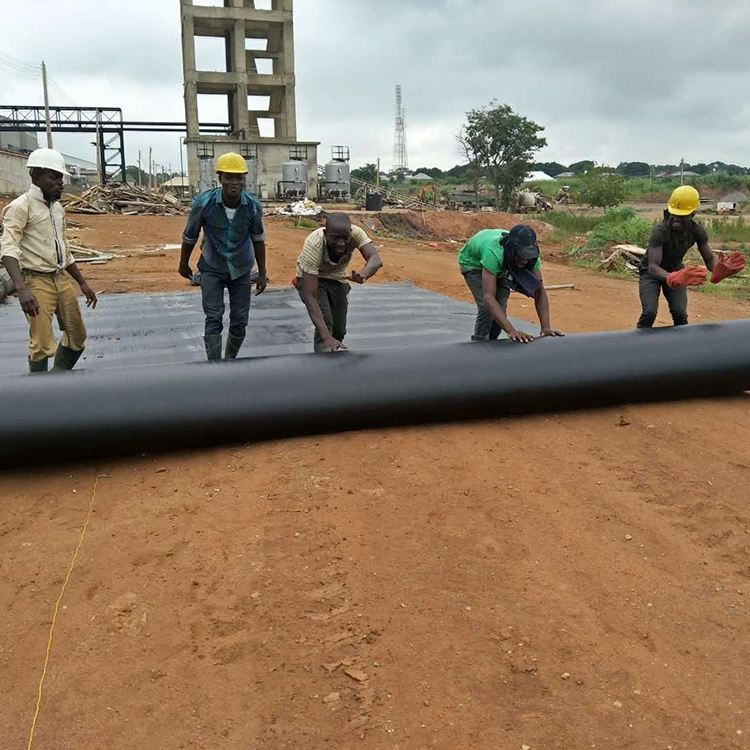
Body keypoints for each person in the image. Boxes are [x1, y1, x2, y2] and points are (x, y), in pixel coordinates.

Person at [0, 148, 98, 373]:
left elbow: (65, 250)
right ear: (36, 176)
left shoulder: (57, 209)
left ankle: (57, 381)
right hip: (35, 281)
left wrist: (82, 283)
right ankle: (40, 398)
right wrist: (21, 289)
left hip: (59, 278)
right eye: (54, 177)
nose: (60, 183)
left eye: (60, 177)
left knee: (77, 335)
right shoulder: (19, 207)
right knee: (42, 344)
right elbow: (8, 249)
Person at [179, 152, 267, 360]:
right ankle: (215, 366)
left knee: (240, 319)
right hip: (212, 266)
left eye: (239, 178)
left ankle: (230, 362)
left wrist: (262, 272)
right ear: (220, 178)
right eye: (229, 177)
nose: (234, 183)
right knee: (213, 316)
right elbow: (190, 236)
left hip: (241, 268)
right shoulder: (203, 203)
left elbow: (258, 239)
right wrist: (183, 263)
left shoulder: (253, 207)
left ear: (245, 179)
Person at [637, 185, 745, 328]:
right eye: (673, 213)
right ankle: (639, 344)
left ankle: (683, 346)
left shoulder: (697, 230)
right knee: (649, 312)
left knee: (680, 314)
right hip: (652, 274)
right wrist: (672, 277)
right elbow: (653, 267)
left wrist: (718, 269)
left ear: (692, 214)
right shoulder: (660, 230)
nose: (675, 218)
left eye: (681, 216)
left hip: (677, 271)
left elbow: (709, 259)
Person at [458, 225, 564, 343]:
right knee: (487, 308)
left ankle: (492, 343)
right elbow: (488, 297)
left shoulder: (531, 259)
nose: (524, 261)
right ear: (511, 249)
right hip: (473, 264)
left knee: (500, 310)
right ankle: (480, 344)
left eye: (527, 256)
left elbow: (539, 291)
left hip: (505, 263)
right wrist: (511, 330)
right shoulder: (493, 253)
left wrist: (546, 328)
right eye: (520, 256)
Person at [295, 212, 382, 352]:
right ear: (325, 233)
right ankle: (322, 362)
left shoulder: (356, 233)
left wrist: (364, 274)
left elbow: (375, 259)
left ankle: (333, 351)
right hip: (312, 277)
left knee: (339, 330)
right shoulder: (314, 244)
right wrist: (326, 337)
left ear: (350, 233)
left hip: (337, 277)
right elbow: (310, 296)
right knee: (326, 323)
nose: (341, 243)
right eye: (335, 238)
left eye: (345, 238)